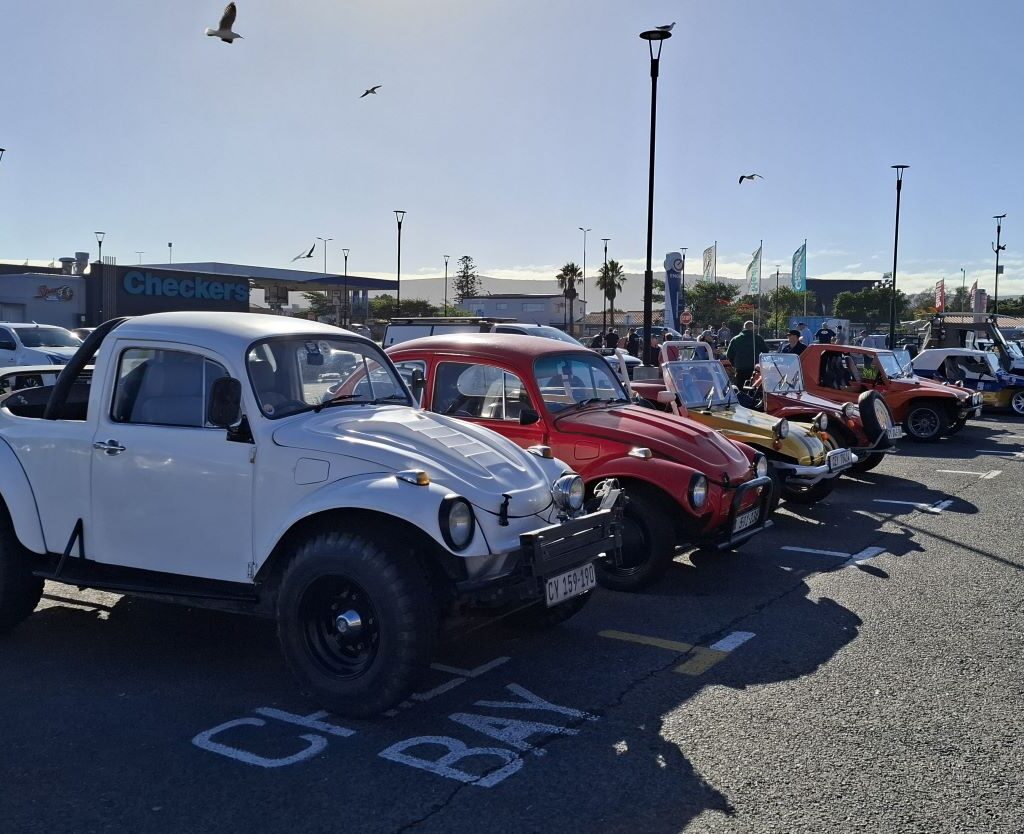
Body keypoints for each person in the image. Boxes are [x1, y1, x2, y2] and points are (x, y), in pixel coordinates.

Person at [726, 321, 768, 388]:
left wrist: (734, 365)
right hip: (754, 369)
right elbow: (766, 352)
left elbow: (729, 355)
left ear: (744, 327)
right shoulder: (757, 338)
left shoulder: (735, 339)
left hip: (740, 369)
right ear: (752, 327)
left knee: (740, 388)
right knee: (753, 389)